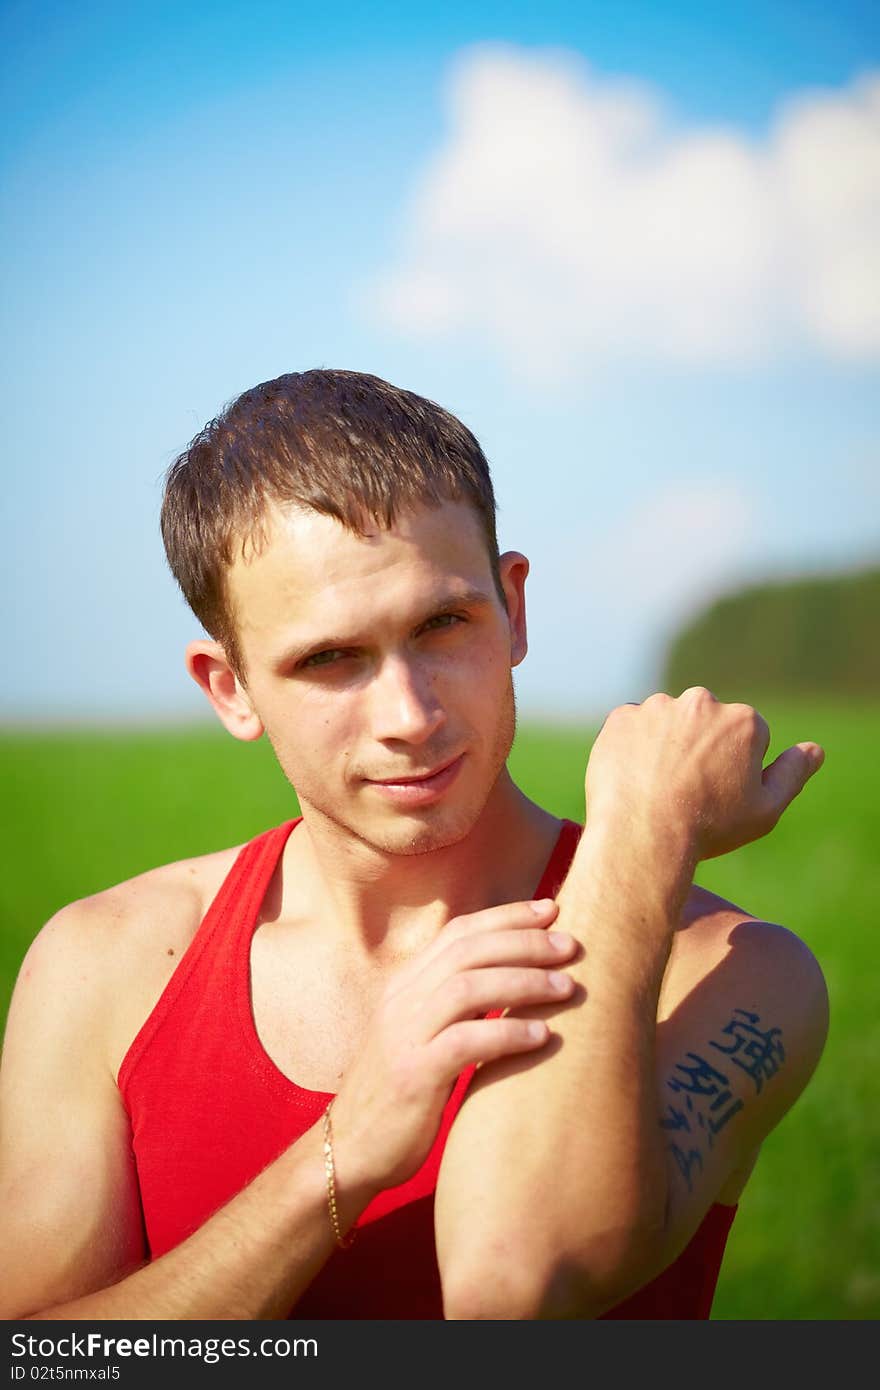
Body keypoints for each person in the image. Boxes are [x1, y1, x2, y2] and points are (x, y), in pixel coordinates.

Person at [0, 369, 829, 1321]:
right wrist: (341, 1155)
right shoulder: (101, 967)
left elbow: (513, 1282)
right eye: (329, 659)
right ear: (228, 688)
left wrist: (639, 833)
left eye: (443, 624)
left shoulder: (723, 971)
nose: (410, 715)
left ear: (513, 608)